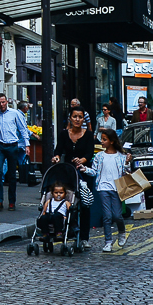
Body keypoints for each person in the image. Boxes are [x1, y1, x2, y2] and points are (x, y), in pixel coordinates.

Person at [85, 129, 133, 251]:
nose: (101, 141)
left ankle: (121, 231)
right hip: (103, 188)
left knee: (117, 215)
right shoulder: (99, 156)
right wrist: (85, 169)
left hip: (117, 189)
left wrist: (127, 163)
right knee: (107, 216)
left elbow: (126, 172)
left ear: (112, 141)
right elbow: (94, 171)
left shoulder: (121, 156)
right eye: (101, 139)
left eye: (104, 139)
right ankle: (108, 242)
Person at [58, 106, 98, 253]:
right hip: (69, 173)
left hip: (84, 173)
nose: (77, 119)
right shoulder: (64, 134)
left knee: (85, 205)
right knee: (68, 203)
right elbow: (58, 150)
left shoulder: (88, 135)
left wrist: (81, 161)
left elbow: (89, 153)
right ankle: (68, 231)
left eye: (80, 117)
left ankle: (84, 238)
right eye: (75, 116)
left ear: (83, 119)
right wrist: (56, 157)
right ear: (70, 118)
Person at [0, 93, 29, 211]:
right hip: (0, 146)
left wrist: (27, 144)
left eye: (3, 102)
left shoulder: (15, 113)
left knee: (11, 174)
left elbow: (23, 129)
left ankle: (12, 202)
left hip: (12, 146)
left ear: (7, 102)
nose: (1, 104)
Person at [36, 181, 74, 253]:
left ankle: (58, 233)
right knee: (43, 218)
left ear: (65, 194)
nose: (58, 194)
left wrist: (68, 214)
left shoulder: (66, 202)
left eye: (61, 193)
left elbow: (70, 210)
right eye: (56, 193)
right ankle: (45, 234)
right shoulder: (49, 201)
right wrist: (43, 214)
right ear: (52, 194)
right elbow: (44, 210)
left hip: (59, 217)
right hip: (49, 215)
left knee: (57, 216)